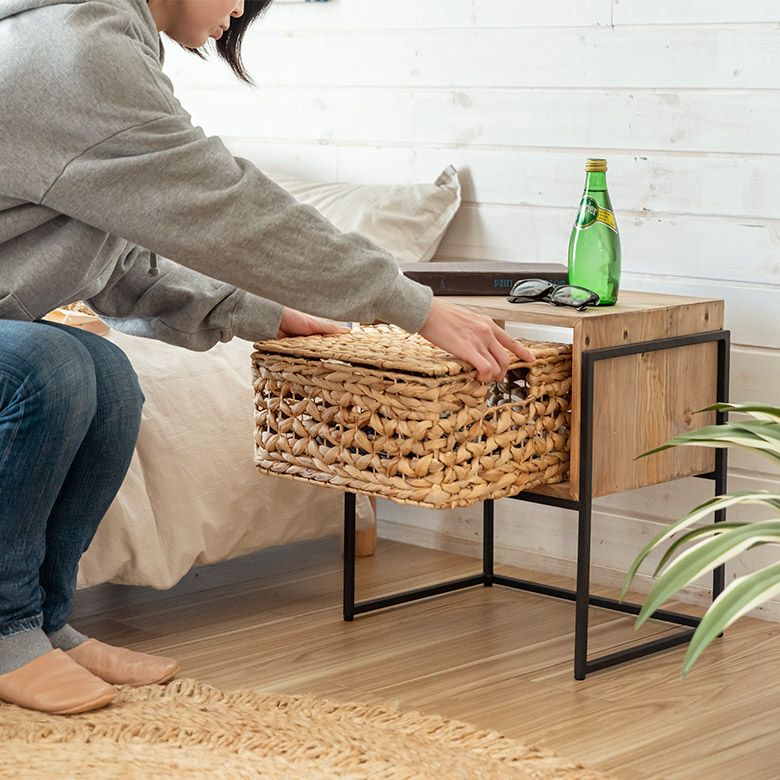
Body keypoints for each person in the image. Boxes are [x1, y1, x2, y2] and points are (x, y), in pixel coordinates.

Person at [0, 0, 533, 715]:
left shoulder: (96, 42)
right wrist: (411, 304)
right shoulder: (76, 52)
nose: (238, 10)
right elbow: (229, 208)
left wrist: (262, 313)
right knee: (54, 366)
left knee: (109, 375)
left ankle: (43, 621)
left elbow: (116, 262)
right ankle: (2, 630)